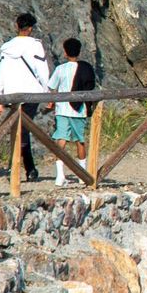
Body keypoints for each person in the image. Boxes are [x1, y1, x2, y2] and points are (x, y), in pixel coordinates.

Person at [0, 13, 52, 182]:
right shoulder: (35, 46)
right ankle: (25, 169)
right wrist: (48, 93)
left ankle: (23, 168)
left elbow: (1, 73)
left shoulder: (7, 47)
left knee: (19, 130)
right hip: (31, 92)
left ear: (16, 26)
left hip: (12, 93)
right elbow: (42, 71)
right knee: (23, 130)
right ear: (31, 28)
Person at [46, 38, 96, 186]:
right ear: (79, 52)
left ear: (65, 52)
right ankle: (82, 174)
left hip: (62, 109)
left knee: (61, 139)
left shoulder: (60, 69)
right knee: (80, 141)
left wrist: (51, 102)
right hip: (79, 110)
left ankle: (60, 175)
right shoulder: (85, 69)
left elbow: (52, 87)